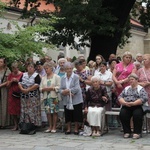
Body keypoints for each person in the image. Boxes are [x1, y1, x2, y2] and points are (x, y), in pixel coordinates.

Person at [118, 73, 148, 139]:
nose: (130, 81)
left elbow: (144, 98)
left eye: (132, 79)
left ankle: (137, 132)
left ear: (137, 80)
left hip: (137, 106)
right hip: (127, 105)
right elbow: (120, 97)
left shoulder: (140, 89)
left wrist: (134, 103)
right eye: (130, 80)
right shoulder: (126, 88)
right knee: (123, 114)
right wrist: (124, 103)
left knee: (137, 115)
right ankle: (127, 132)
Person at [60, 62, 83, 135]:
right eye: (67, 69)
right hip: (67, 98)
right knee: (68, 114)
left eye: (70, 68)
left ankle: (76, 129)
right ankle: (68, 128)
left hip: (76, 98)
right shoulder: (62, 78)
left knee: (76, 114)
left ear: (72, 69)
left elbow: (77, 87)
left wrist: (69, 91)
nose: (69, 70)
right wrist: (65, 92)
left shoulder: (76, 77)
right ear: (65, 70)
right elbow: (60, 88)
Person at [18, 62, 41, 131]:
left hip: (33, 95)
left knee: (32, 109)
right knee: (24, 109)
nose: (30, 68)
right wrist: (22, 89)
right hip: (24, 94)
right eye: (29, 66)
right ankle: (24, 123)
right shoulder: (23, 74)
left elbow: (37, 84)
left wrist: (28, 89)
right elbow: (19, 83)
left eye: (32, 67)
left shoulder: (36, 75)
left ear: (34, 68)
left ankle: (33, 123)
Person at [40, 62, 60, 133]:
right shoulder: (43, 78)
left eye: (47, 68)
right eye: (45, 69)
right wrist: (44, 89)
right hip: (46, 97)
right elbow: (40, 88)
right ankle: (50, 126)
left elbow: (59, 87)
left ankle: (54, 126)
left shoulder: (56, 77)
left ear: (51, 68)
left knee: (54, 112)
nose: (46, 70)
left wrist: (53, 88)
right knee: (48, 112)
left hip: (54, 97)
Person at [7, 62, 23, 131]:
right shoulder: (10, 75)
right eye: (13, 69)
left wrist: (18, 81)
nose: (14, 70)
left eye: (15, 69)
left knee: (20, 109)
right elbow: (7, 86)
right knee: (13, 110)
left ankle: (21, 124)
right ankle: (15, 124)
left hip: (19, 93)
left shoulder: (22, 74)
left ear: (18, 68)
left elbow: (24, 83)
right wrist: (11, 81)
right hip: (12, 94)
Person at [137, 54, 150, 130]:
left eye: (146, 59)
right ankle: (144, 126)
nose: (144, 61)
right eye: (143, 59)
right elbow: (135, 81)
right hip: (142, 92)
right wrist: (141, 84)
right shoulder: (140, 70)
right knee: (143, 108)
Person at [0, 57, 11, 128]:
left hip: (3, 89)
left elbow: (8, 81)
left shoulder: (7, 70)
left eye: (1, 62)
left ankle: (3, 123)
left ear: (4, 63)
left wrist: (1, 85)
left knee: (3, 105)